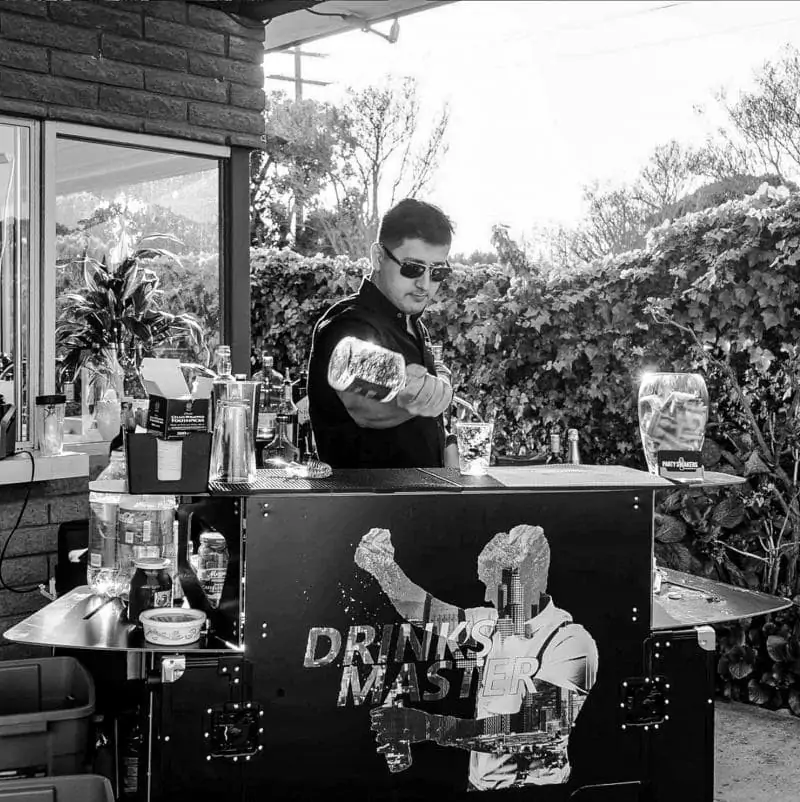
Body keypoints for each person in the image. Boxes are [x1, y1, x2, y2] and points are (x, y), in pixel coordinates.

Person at [354, 524, 599, 790]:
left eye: (495, 587)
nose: (486, 596)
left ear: (523, 583)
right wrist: (383, 568)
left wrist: (432, 727)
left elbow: (534, 730)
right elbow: (425, 612)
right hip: (479, 786)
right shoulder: (492, 623)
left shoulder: (570, 641)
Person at [307, 198, 456, 469]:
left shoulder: (413, 325)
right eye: (413, 268)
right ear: (378, 257)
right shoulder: (350, 325)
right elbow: (364, 406)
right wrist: (421, 397)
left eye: (437, 272)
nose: (424, 284)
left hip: (420, 504)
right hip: (365, 506)